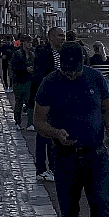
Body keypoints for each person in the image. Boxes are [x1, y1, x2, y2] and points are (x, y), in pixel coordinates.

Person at [34, 42, 109, 217]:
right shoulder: (50, 83)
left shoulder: (95, 78)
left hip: (96, 155)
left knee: (100, 206)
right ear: (61, 64)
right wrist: (55, 132)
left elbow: (108, 108)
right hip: (65, 157)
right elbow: (38, 121)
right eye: (68, 70)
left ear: (83, 61)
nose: (72, 74)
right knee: (70, 211)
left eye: (76, 70)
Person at [32, 28, 65, 181]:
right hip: (46, 99)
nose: (62, 38)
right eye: (60, 35)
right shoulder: (43, 52)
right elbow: (39, 75)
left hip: (59, 99)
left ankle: (53, 167)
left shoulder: (61, 53)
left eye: (63, 35)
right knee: (42, 134)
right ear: (51, 37)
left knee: (54, 133)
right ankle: (41, 169)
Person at [10, 37, 34, 129]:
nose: (30, 44)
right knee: (19, 102)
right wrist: (25, 69)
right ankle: (17, 122)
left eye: (30, 42)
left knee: (30, 102)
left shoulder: (32, 54)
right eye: (28, 42)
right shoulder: (17, 54)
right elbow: (14, 67)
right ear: (23, 43)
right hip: (19, 81)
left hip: (29, 81)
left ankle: (30, 123)